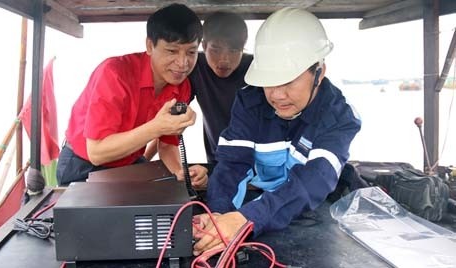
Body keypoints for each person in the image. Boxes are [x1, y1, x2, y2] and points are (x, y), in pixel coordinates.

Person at [192, 7, 362, 255]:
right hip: (260, 208)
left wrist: (243, 220)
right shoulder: (249, 101)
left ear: (319, 72)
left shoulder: (338, 117)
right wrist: (218, 213)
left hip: (318, 211)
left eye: (289, 81)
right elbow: (232, 165)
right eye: (269, 81)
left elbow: (313, 180)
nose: (277, 95)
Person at [56, 3, 207, 187]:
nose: (183, 63)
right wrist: (156, 128)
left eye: (191, 52)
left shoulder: (182, 86)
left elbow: (167, 144)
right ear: (150, 46)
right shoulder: (114, 73)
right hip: (82, 164)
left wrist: (180, 171)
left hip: (128, 163)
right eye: (172, 51)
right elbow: (96, 152)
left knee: (166, 206)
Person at [145, 11, 253, 166]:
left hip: (258, 164)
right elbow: (171, 121)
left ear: (243, 48)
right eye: (215, 50)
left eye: (234, 51)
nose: (224, 59)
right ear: (203, 46)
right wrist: (144, 160)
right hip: (217, 163)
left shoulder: (255, 70)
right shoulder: (194, 68)